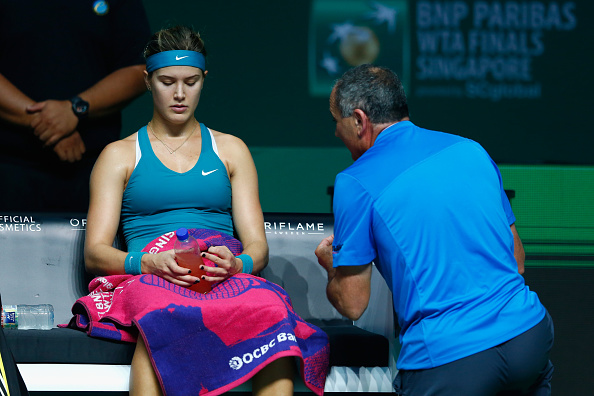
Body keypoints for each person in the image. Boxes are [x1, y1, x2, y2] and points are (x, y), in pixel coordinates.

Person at [82, 26, 328, 396]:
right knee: (161, 308)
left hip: (223, 276)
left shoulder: (232, 150)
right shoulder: (118, 155)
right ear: (148, 81)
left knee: (271, 306)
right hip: (152, 276)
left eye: (191, 81)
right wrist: (148, 263)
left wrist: (237, 264)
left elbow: (257, 247)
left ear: (204, 80)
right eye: (167, 81)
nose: (179, 94)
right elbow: (95, 252)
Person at [315, 64, 554, 395]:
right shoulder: (470, 149)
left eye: (335, 122)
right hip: (528, 338)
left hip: (450, 360)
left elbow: (353, 303)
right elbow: (517, 260)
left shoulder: (354, 181)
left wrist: (331, 268)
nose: (335, 133)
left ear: (358, 120)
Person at [0, 0, 151, 212]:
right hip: (9, 167)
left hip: (95, 169)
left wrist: (74, 110)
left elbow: (139, 68)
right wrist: (48, 122)